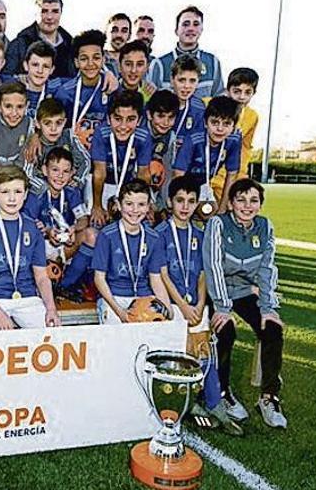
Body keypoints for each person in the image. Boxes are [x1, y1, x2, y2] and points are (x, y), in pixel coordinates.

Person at [155, 177, 243, 435]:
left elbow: (204, 273)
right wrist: (182, 305)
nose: (185, 206)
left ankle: (216, 405)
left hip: (196, 305)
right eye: (180, 200)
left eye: (191, 201)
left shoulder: (201, 234)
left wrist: (202, 303)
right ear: (170, 202)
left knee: (204, 353)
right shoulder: (159, 233)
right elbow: (162, 274)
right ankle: (187, 403)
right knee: (178, 355)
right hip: (172, 305)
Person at [203, 178, 287, 429]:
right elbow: (214, 266)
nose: (247, 206)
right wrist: (222, 308)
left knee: (273, 330)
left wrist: (268, 308)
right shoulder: (218, 224)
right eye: (241, 200)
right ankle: (223, 393)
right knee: (226, 332)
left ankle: (269, 397)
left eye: (253, 200)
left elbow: (267, 268)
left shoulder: (264, 226)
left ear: (260, 205)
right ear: (230, 203)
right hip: (215, 292)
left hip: (243, 291)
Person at [0, 165, 61, 331]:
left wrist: (51, 308)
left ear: (25, 195)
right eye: (5, 192)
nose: (12, 198)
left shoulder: (33, 227)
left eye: (17, 192)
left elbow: (41, 277)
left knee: (53, 334)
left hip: (27, 298)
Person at [91, 179, 171, 324]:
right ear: (119, 205)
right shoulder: (107, 235)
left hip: (145, 298)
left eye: (141, 204)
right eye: (129, 204)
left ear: (148, 207)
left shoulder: (154, 237)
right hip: (114, 297)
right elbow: (99, 278)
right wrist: (119, 311)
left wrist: (168, 309)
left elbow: (156, 278)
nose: (135, 210)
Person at [32, 147, 98, 301]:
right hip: (40, 246)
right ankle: (39, 285)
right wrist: (48, 232)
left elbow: (83, 218)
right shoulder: (36, 193)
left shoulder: (72, 192)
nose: (60, 176)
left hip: (63, 243)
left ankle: (65, 285)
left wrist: (74, 229)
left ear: (72, 173)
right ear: (44, 170)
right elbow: (28, 224)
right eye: (55, 170)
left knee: (92, 235)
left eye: (65, 171)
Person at [89, 89, 149, 227]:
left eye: (130, 120)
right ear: (109, 118)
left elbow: (143, 174)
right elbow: (99, 173)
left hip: (128, 185)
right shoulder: (101, 133)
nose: (123, 126)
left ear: (139, 120)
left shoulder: (143, 136)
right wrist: (97, 205)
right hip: (101, 185)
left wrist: (145, 203)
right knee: (96, 223)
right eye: (117, 119)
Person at [172, 96, 242, 214]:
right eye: (214, 122)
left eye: (226, 124)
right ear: (205, 122)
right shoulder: (194, 139)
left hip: (204, 185)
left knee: (212, 215)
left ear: (233, 126)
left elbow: (232, 175)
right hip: (181, 181)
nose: (219, 128)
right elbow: (178, 176)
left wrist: (221, 211)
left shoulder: (234, 140)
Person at [147, 5, 224, 99]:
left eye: (196, 24)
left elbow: (219, 99)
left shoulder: (213, 62)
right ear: (176, 30)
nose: (191, 28)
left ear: (201, 29)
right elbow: (151, 102)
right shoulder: (159, 64)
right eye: (185, 24)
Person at [54, 29, 113, 151]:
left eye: (96, 58)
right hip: (73, 153)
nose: (90, 64)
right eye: (84, 59)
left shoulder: (112, 88)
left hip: (105, 155)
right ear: (76, 62)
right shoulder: (65, 93)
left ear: (103, 60)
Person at [210, 67, 260, 193]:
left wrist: (242, 176)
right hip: (205, 175)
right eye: (237, 91)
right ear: (227, 90)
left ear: (254, 92)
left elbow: (245, 148)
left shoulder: (252, 116)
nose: (242, 97)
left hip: (230, 178)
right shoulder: (209, 106)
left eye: (248, 92)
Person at [26, 97, 90, 195]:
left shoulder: (69, 136)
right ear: (38, 124)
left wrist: (77, 179)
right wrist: (46, 189)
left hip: (67, 189)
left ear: (64, 122)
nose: (53, 129)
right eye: (47, 123)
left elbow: (85, 160)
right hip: (42, 193)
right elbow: (28, 175)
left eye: (58, 123)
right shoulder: (34, 145)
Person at [3, 0, 75, 79]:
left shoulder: (71, 45)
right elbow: (6, 77)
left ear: (61, 13)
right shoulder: (20, 45)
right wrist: (18, 80)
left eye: (55, 11)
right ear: (35, 13)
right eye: (44, 11)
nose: (49, 17)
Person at [139, 90, 180, 212]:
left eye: (171, 117)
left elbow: (167, 173)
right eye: (161, 116)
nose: (165, 123)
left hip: (154, 190)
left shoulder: (170, 137)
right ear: (149, 115)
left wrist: (164, 204)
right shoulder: (137, 132)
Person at [0, 82, 35, 168]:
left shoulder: (29, 124)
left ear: (27, 106)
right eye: (8, 106)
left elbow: (28, 161)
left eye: (20, 107)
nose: (14, 113)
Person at [168, 54, 207, 159]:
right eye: (181, 80)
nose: (187, 86)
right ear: (172, 80)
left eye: (192, 81)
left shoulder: (200, 108)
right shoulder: (160, 103)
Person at [18, 41, 63, 119]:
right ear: (25, 65)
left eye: (45, 66)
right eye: (35, 65)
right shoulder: (14, 87)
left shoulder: (57, 92)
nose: (40, 71)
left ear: (52, 69)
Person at [104, 13, 132, 78]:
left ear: (129, 36)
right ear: (106, 33)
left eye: (124, 31)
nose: (119, 35)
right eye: (114, 30)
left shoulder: (135, 63)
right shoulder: (97, 61)